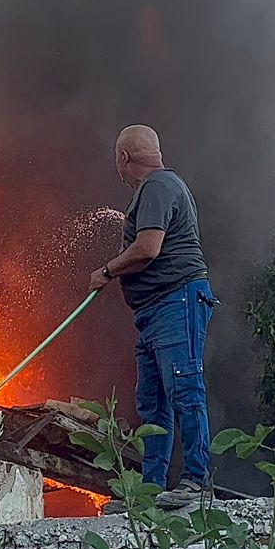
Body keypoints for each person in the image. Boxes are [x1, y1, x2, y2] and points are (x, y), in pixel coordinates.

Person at [90, 124, 217, 510]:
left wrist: (108, 271)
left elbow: (148, 248)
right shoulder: (161, 187)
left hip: (175, 302)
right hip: (154, 311)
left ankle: (197, 480)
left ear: (123, 157)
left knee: (184, 387)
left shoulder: (158, 187)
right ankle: (150, 491)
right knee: (153, 401)